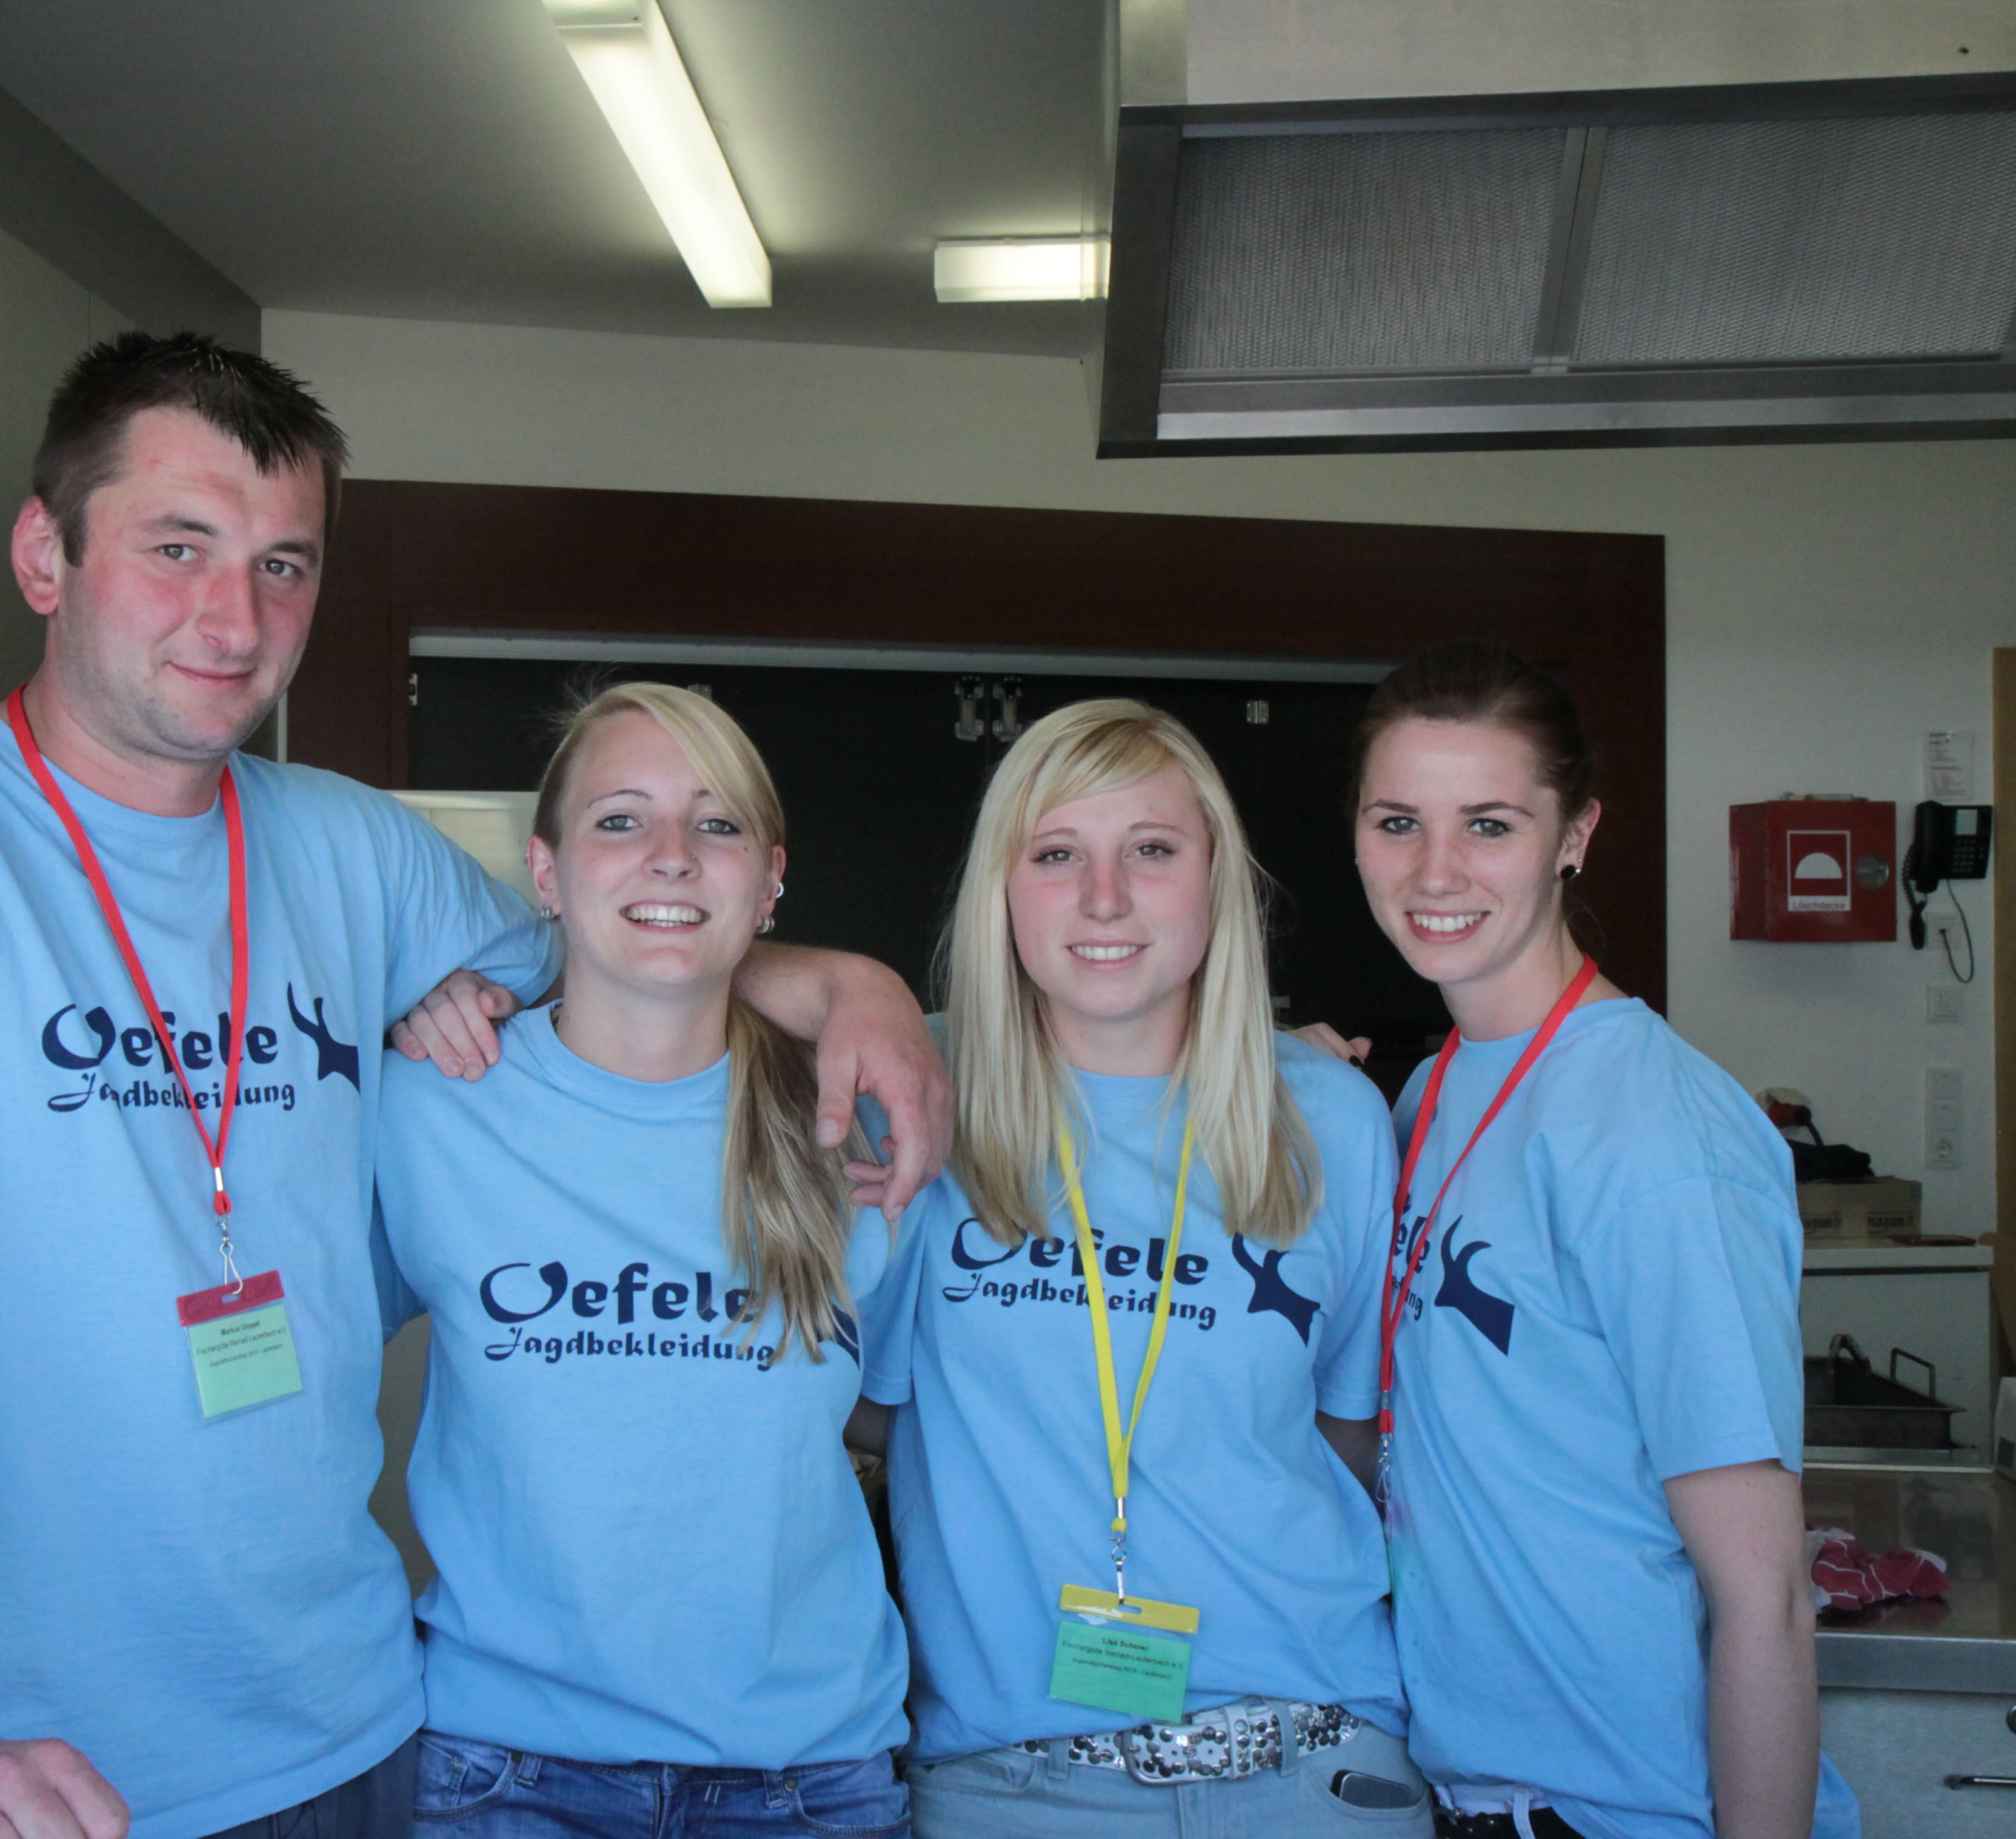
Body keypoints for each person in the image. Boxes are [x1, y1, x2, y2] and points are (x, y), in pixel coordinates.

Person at [0, 336, 951, 1839]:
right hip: (15, 1767)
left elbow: (638, 943)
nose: (235, 618)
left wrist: (843, 984)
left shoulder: (356, 852)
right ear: (43, 554)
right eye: (178, 547)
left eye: (284, 565)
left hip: (363, 1733)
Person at [854, 698, 1431, 1836]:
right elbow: (859, 1408)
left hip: (1316, 1759)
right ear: (1002, 888)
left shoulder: (1331, 1117)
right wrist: (850, 989)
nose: (1105, 897)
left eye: (1152, 851)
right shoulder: (912, 1099)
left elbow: (1349, 1435)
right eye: (1056, 855)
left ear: (1217, 880)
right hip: (1012, 1783)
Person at [371, 683, 911, 1837]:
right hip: (504, 1775)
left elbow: (927, 1412)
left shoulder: (861, 1122)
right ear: (547, 871)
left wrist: (1288, 1058)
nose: (671, 855)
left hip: (806, 1780)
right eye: (620, 819)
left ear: (770, 880)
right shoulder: (428, 1101)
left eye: (715, 825)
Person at [1350, 641, 1854, 1839]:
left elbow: (1767, 1598)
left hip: (1625, 1809)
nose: (1434, 871)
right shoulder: (1433, 1091)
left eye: (1489, 825)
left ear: (1574, 835)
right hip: (1465, 1789)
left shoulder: (1655, 1135)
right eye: (1398, 822)